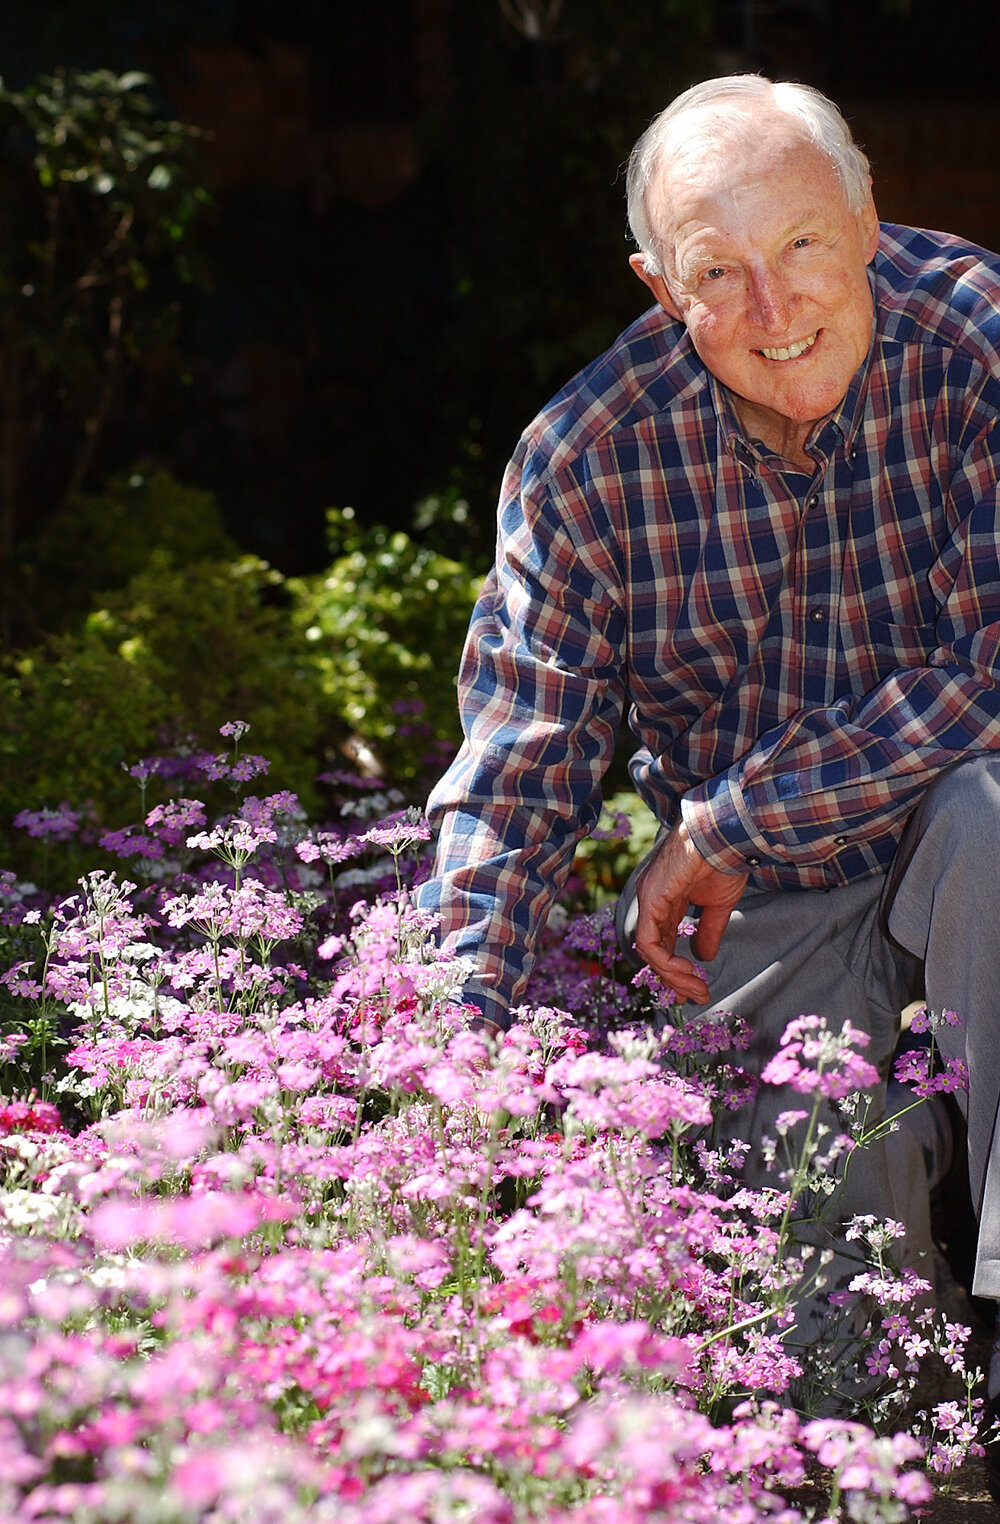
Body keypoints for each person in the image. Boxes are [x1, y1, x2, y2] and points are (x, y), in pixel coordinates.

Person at [417, 72, 1000, 1433]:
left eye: (802, 245)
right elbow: (515, 778)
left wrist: (733, 822)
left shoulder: (982, 345)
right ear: (658, 285)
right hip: (771, 921)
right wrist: (441, 1085)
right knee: (819, 1383)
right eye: (716, 271)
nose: (773, 309)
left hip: (960, 849)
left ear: (865, 218)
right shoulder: (588, 460)